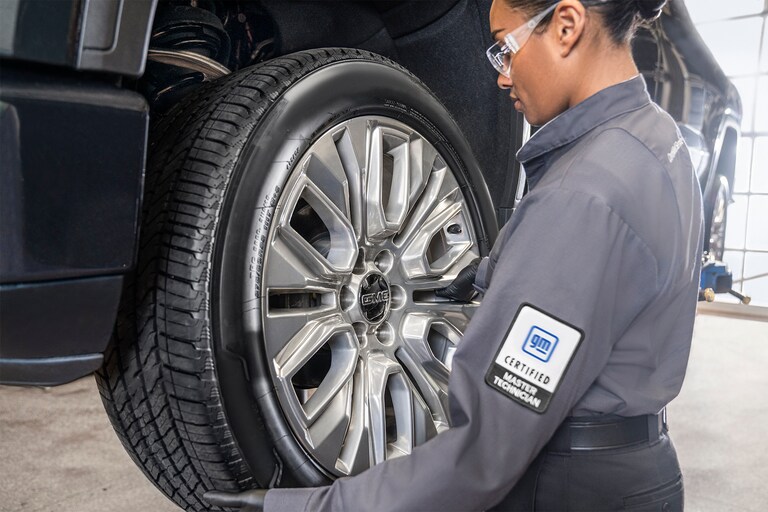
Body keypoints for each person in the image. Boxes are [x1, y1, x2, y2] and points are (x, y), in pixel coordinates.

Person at [206, 0, 702, 510]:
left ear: (567, 26)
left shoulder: (580, 199)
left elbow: (479, 459)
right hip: (643, 472)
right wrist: (500, 273)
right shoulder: (658, 140)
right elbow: (606, 276)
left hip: (572, 491)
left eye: (505, 49)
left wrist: (305, 508)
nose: (502, 78)